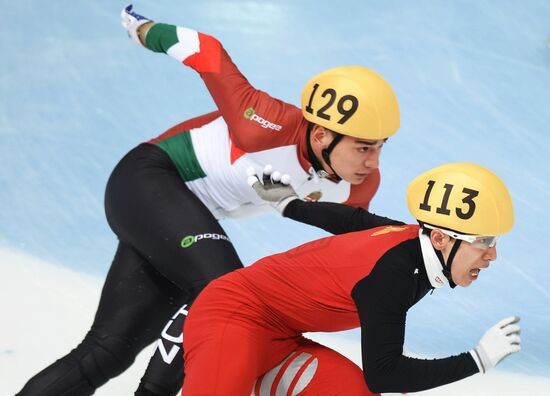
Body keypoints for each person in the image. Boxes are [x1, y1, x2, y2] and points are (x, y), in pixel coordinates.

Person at [16, 5, 402, 396]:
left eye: (381, 148)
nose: (372, 163)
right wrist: (143, 29)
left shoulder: (359, 186)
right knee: (227, 292)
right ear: (321, 136)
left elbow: (343, 252)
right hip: (148, 178)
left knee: (107, 351)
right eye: (364, 148)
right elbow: (208, 52)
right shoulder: (262, 124)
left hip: (182, 222)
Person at [181, 162, 521, 395]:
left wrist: (290, 204)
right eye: (484, 242)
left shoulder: (407, 237)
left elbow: (352, 220)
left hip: (281, 339)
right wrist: (477, 360)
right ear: (441, 239)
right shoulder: (391, 277)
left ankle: (246, 376)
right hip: (230, 316)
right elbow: (383, 374)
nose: (492, 256)